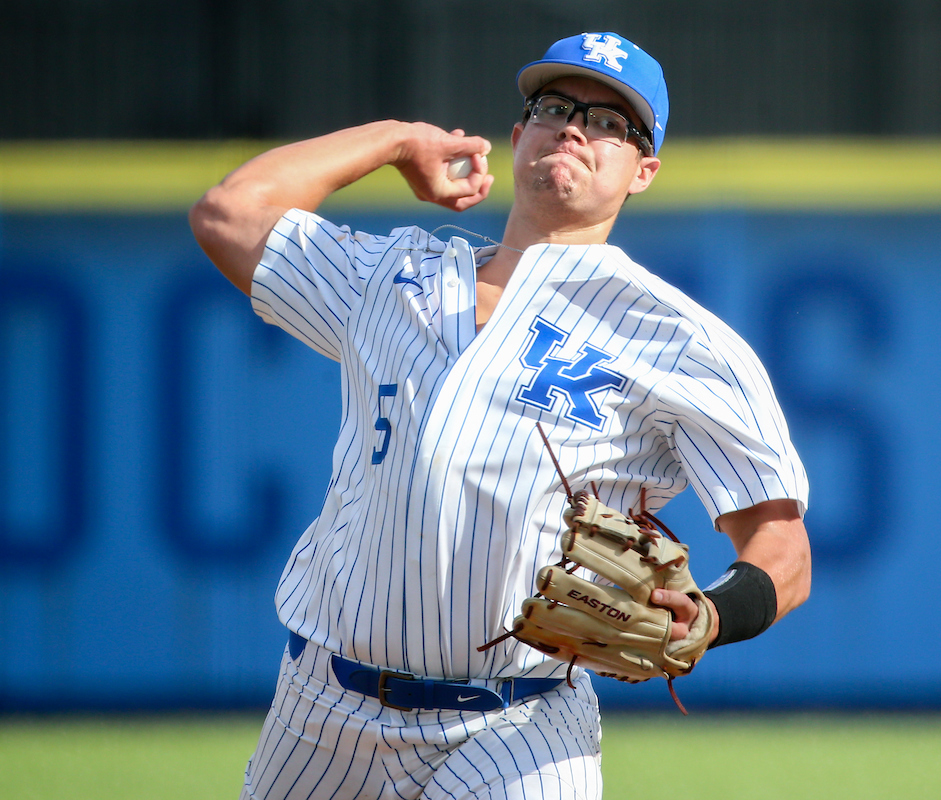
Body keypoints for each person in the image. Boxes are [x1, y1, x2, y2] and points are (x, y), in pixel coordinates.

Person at [190, 31, 811, 800]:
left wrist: (711, 616)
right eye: (556, 106)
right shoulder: (394, 274)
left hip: (520, 726)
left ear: (643, 171)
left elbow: (782, 545)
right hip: (322, 709)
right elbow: (230, 214)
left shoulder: (678, 341)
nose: (577, 127)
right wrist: (396, 139)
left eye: (613, 124)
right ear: (519, 137)